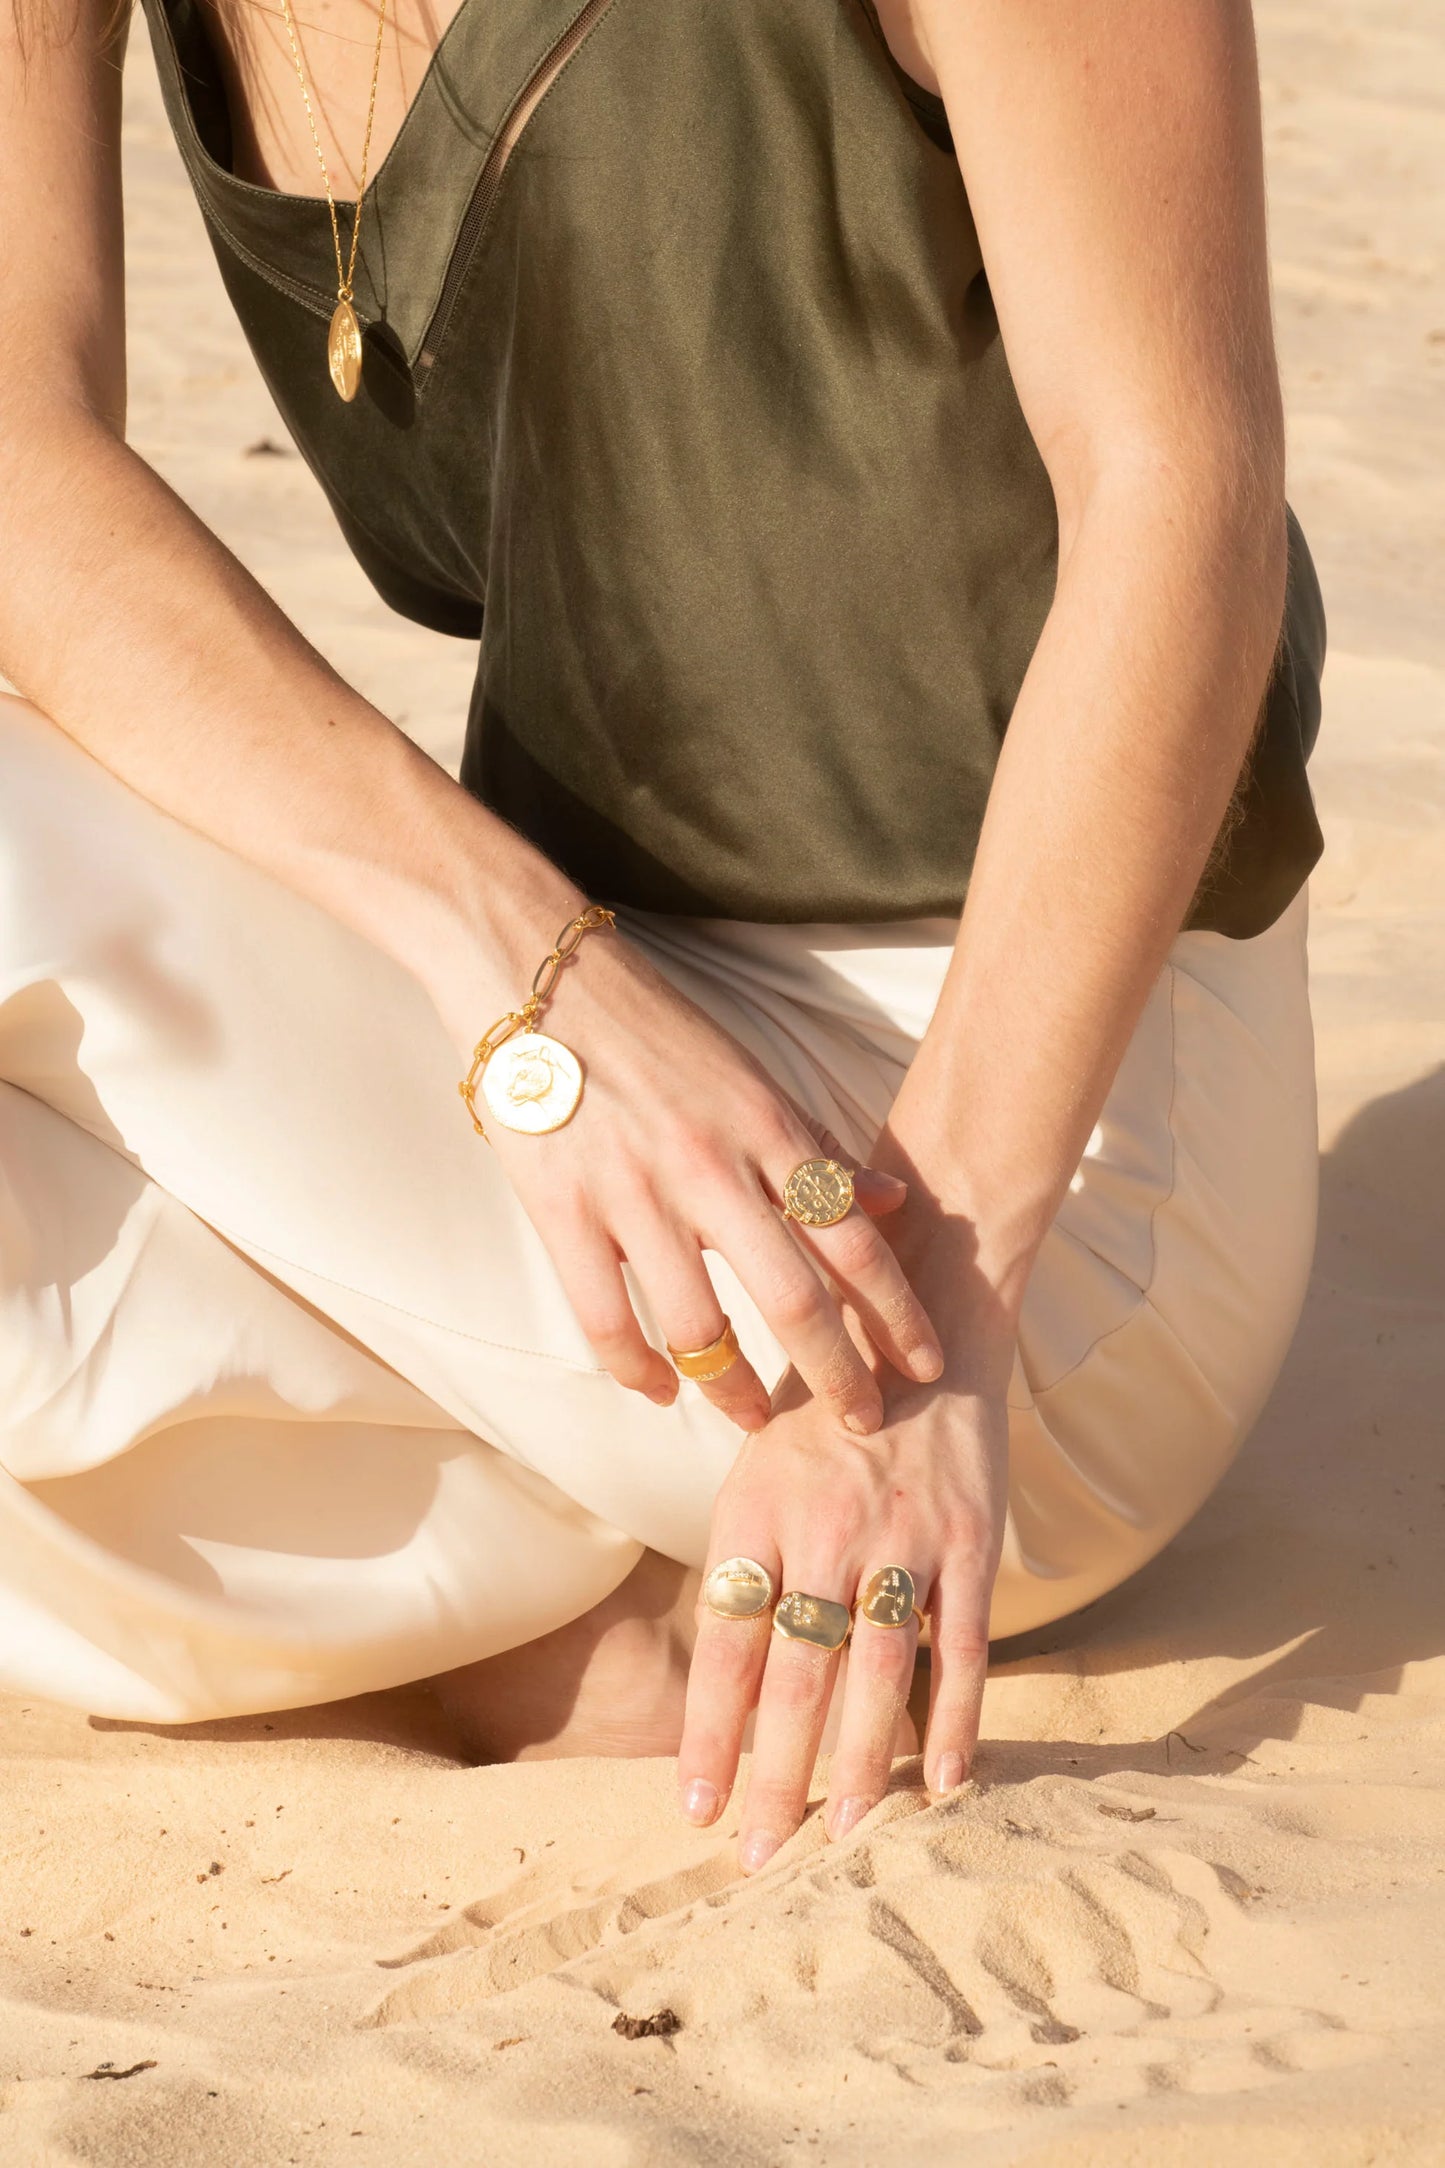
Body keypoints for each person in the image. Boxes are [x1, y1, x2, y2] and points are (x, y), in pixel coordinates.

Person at [0, 0, 1324, 1875]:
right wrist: (515, 957)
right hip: (593, 1078)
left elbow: (1180, 502)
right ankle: (548, 1646)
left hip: (1002, 1188)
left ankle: (422, 1595)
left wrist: (931, 1348)